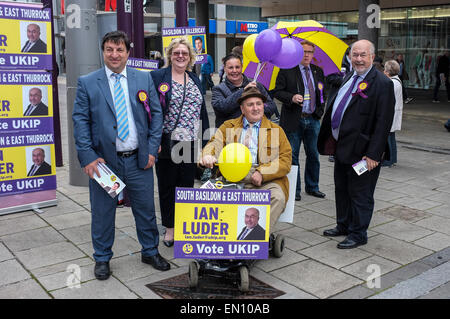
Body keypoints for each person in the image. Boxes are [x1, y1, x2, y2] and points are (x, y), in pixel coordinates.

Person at [72, 31, 170, 280]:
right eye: (109, 49)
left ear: (128, 52)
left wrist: (151, 149)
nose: (114, 54)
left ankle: (150, 251)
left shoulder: (143, 79)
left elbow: (156, 114)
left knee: (146, 210)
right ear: (103, 52)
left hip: (139, 160)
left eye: (119, 50)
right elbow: (81, 120)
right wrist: (87, 156)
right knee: (103, 213)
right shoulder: (88, 82)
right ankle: (102, 258)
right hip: (105, 163)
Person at [318, 39, 395, 249]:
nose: (358, 59)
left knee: (360, 195)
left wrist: (373, 154)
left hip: (363, 153)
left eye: (363, 55)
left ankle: (358, 233)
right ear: (350, 57)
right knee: (341, 189)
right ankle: (343, 225)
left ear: (372, 57)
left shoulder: (382, 83)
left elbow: (383, 123)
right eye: (355, 55)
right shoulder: (349, 76)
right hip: (342, 148)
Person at [200, 86, 292, 233]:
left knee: (278, 197)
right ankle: (218, 237)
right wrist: (207, 155)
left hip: (264, 180)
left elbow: (285, 159)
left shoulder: (276, 130)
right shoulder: (228, 126)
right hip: (230, 178)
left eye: (259, 104)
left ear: (263, 106)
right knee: (203, 195)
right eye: (250, 105)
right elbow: (213, 144)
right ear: (242, 109)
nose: (256, 108)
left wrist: (263, 172)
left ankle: (256, 237)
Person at [150, 37, 210, 247]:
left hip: (190, 142)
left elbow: (202, 111)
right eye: (176, 53)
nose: (181, 56)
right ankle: (170, 228)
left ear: (190, 57)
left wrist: (206, 142)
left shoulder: (194, 79)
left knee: (186, 186)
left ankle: (184, 225)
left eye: (184, 53)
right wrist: (152, 139)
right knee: (167, 186)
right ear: (170, 55)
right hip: (167, 142)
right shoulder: (158, 76)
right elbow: (149, 110)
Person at [272, 40, 326, 202]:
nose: (307, 55)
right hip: (293, 120)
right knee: (292, 156)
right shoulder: (287, 70)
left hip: (313, 120)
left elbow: (323, 93)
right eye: (304, 51)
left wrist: (319, 111)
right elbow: (277, 91)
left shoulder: (318, 71)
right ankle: (294, 189)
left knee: (314, 155)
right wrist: (292, 97)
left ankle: (313, 187)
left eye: (310, 52)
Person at [211, 53, 277, 128]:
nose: (234, 70)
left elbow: (272, 106)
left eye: (237, 67)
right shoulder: (218, 89)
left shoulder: (256, 85)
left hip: (256, 132)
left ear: (242, 67)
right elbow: (222, 108)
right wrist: (243, 91)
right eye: (230, 68)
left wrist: (255, 110)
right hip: (231, 134)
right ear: (225, 69)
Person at [382, 60, 403, 168]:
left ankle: (388, 160)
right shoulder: (396, 81)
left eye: (385, 69)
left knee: (388, 136)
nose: (384, 71)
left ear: (388, 71)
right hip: (395, 112)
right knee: (391, 136)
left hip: (391, 113)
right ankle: (393, 158)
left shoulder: (392, 83)